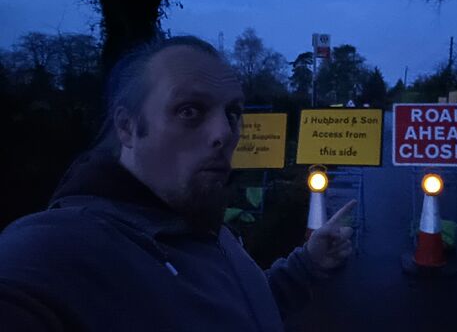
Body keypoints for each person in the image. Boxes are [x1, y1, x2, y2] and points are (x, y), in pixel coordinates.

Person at [0, 36, 356, 331]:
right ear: (127, 127)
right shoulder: (57, 249)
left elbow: (237, 309)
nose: (224, 133)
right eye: (190, 111)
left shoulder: (197, 218)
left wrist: (306, 265)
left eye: (233, 113)